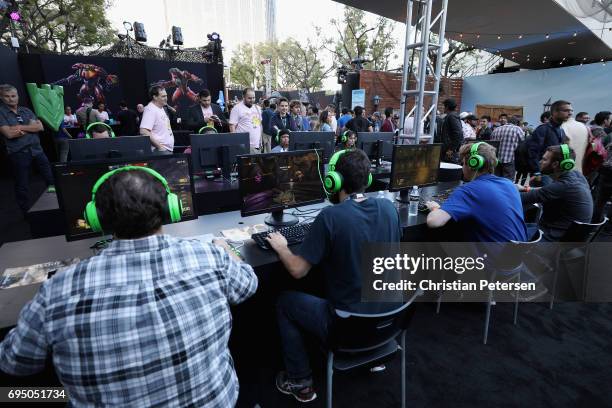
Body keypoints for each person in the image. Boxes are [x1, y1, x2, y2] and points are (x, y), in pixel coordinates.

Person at [0, 168, 257, 406]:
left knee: (40, 395)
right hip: (219, 400)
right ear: (170, 209)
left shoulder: (59, 290)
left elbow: (14, 361)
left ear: (95, 217)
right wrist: (226, 251)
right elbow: (248, 285)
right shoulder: (209, 257)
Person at [265, 149, 401, 402]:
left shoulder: (330, 216)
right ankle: (375, 357)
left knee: (285, 301)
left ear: (333, 181)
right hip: (390, 322)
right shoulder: (389, 208)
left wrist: (283, 247)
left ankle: (300, 382)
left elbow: (297, 270)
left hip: (348, 328)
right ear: (367, 180)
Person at [426, 141, 527, 242]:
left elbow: (433, 221)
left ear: (473, 163)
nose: (462, 167)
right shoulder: (509, 184)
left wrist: (435, 207)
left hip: (492, 257)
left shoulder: (469, 190)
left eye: (463, 163)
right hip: (520, 254)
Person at [518, 145, 593, 241]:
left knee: (510, 235)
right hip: (569, 236)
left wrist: (505, 189)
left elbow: (520, 198)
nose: (540, 162)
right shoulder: (576, 176)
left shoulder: (563, 186)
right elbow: (545, 190)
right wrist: (526, 188)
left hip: (555, 239)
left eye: (544, 160)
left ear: (555, 164)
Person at [0, 84, 55, 216]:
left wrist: (19, 127)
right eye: (7, 97)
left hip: (37, 150)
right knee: (22, 185)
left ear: (17, 96)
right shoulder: (1, 113)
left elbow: (40, 127)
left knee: (50, 179)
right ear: (1, 98)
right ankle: (26, 213)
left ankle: (57, 201)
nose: (11, 99)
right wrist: (29, 127)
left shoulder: (26, 110)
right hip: (19, 153)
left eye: (13, 96)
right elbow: (9, 134)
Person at [527, 100, 572, 182]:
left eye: (571, 111)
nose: (570, 113)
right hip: (542, 175)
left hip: (556, 174)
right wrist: (536, 172)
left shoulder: (561, 130)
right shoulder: (543, 129)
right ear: (554, 112)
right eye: (566, 110)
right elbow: (532, 152)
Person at [140, 86, 174, 153]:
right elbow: (143, 131)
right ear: (155, 97)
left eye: (166, 96)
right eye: (163, 96)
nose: (166, 98)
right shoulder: (150, 109)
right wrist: (160, 147)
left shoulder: (160, 108)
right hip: (159, 150)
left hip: (165, 149)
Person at [229, 87, 263, 154]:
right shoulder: (237, 108)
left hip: (257, 146)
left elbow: (260, 125)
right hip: (244, 146)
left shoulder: (258, 108)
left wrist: (260, 142)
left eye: (253, 98)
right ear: (243, 97)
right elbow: (232, 126)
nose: (252, 100)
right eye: (249, 98)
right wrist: (236, 144)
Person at [490, 115, 524, 180]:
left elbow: (492, 144)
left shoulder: (496, 129)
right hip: (510, 159)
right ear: (517, 123)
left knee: (496, 180)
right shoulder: (518, 129)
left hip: (496, 160)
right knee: (508, 181)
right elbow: (522, 144)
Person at [439, 98, 463, 163]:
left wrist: (451, 149)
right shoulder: (451, 116)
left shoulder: (452, 116)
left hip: (450, 152)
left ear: (447, 107)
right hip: (448, 150)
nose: (443, 108)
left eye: (444, 106)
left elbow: (458, 133)